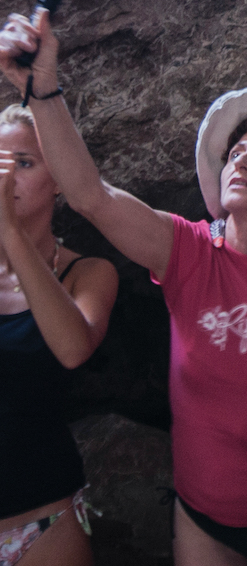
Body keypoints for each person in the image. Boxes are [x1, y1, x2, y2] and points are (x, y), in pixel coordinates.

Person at [0, 11, 247, 566]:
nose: (241, 158)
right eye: (235, 153)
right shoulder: (189, 250)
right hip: (203, 520)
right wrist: (41, 88)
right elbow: (89, 195)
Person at [0, 103, 118, 566]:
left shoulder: (88, 272)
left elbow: (72, 348)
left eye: (23, 163)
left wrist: (9, 232)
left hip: (41, 522)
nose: (6, 176)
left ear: (59, 182)